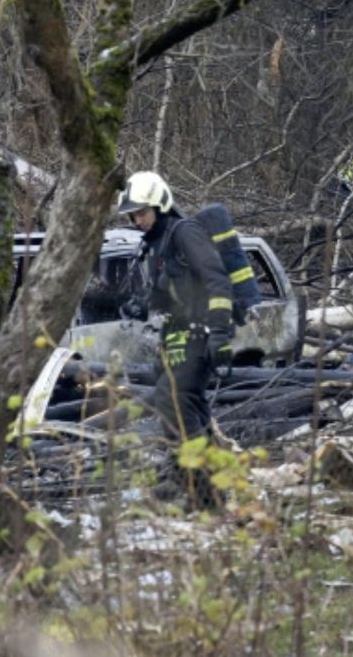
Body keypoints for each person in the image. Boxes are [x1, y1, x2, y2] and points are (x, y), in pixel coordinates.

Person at [117, 170, 234, 507]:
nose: (138, 221)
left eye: (142, 213)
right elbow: (171, 292)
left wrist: (220, 334)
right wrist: (142, 304)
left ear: (160, 205)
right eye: (133, 215)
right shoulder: (157, 244)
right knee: (187, 408)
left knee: (176, 404)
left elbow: (217, 280)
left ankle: (204, 493)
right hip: (174, 336)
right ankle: (203, 484)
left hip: (199, 334)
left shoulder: (185, 233)